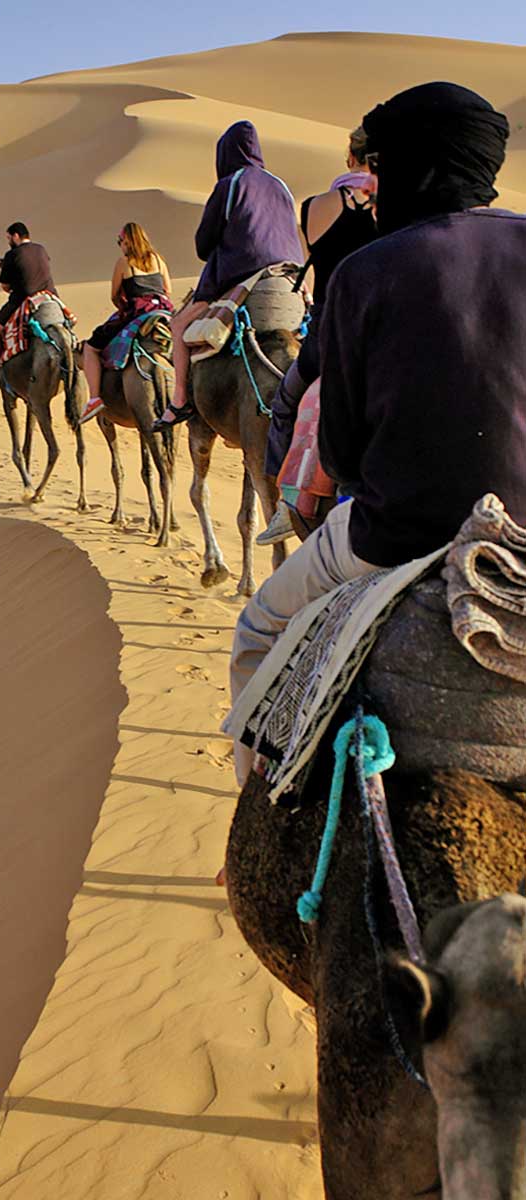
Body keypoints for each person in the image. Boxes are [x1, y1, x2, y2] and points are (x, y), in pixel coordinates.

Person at [231, 81, 523, 785]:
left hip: (400, 536)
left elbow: (341, 451)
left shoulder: (366, 270)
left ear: (414, 168)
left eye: (383, 169)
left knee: (257, 632)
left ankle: (251, 810)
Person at [259, 128, 378, 545]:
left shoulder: (318, 206)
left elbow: (309, 252)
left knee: (286, 402)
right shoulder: (401, 202)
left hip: (333, 332)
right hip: (389, 328)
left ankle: (287, 502)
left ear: (350, 157)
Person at [152, 120, 302, 430]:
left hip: (244, 275)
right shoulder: (280, 185)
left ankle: (179, 400)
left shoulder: (232, 183)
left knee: (179, 327)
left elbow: (204, 243)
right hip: (290, 280)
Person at [79, 223, 173, 424]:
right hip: (164, 313)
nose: (120, 245)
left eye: (120, 241)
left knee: (91, 347)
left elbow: (114, 295)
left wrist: (124, 307)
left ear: (128, 241)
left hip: (136, 312)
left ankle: (95, 398)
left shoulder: (124, 263)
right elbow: (167, 290)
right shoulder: (159, 260)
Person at [0, 222, 56, 391]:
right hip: (49, 297)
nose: (9, 241)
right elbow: (34, 268)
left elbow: (6, 286)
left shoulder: (12, 254)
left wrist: (7, 266)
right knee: (66, 322)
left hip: (23, 298)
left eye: (9, 238)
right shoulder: (41, 249)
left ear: (16, 236)